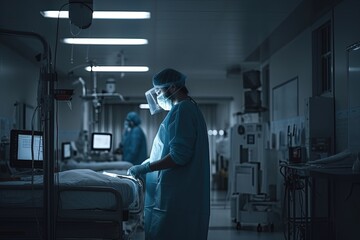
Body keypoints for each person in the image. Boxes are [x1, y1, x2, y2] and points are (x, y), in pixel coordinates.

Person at [128, 68, 210, 240]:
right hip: (181, 193)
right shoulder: (189, 108)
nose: (157, 96)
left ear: (172, 87)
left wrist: (146, 167)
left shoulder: (182, 110)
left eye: (158, 91)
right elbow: (172, 149)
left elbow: (179, 156)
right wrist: (150, 161)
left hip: (177, 197)